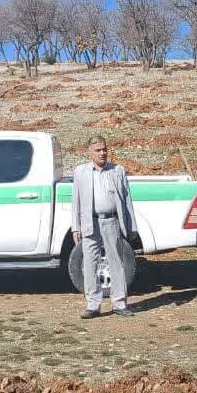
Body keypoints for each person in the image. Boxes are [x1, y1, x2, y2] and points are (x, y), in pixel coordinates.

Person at [71, 135, 137, 319]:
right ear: (89, 152)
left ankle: (119, 303)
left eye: (104, 149)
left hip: (112, 222)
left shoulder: (118, 171)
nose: (103, 153)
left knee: (116, 261)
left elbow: (127, 200)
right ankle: (93, 305)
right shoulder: (81, 172)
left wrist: (131, 226)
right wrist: (75, 226)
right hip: (89, 222)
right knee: (90, 263)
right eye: (98, 150)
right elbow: (75, 201)